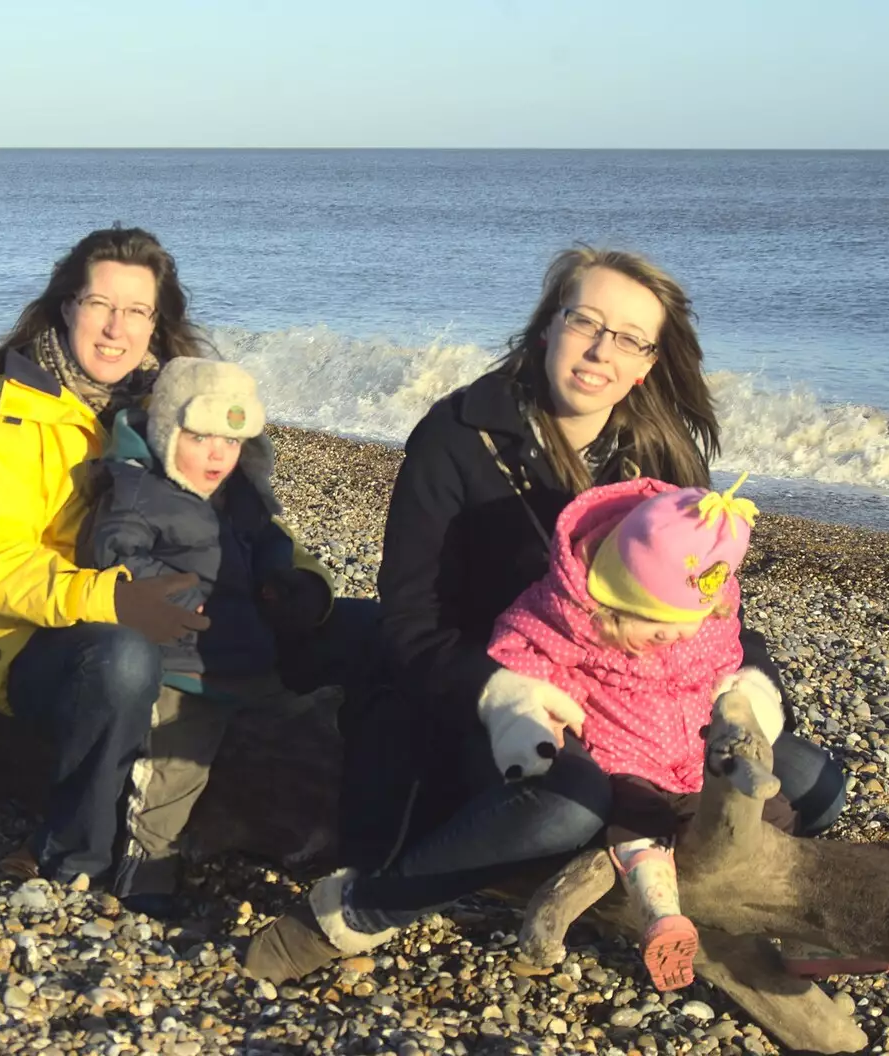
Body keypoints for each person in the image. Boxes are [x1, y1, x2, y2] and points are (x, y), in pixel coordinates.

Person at [245, 246, 849, 984]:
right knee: (568, 803)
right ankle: (359, 911)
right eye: (585, 321)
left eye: (629, 338)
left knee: (815, 786)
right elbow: (411, 626)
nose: (602, 349)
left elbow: (712, 604)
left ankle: (717, 906)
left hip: (651, 702)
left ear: (649, 363)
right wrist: (505, 699)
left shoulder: (664, 455)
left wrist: (748, 688)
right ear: (547, 326)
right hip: (496, 699)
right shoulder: (457, 438)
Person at [0, 226, 371, 898]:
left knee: (365, 629)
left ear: (156, 322)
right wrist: (112, 599)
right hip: (46, 643)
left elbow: (254, 519)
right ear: (66, 308)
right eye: (100, 306)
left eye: (136, 311)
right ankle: (73, 850)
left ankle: (408, 839)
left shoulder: (176, 408)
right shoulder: (9, 413)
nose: (116, 329)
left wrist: (305, 582)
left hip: (192, 616)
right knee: (123, 658)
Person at [485, 473, 786, 991]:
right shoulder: (572, 620)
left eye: (684, 621)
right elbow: (516, 651)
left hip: (693, 755)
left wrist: (744, 701)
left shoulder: (707, 616)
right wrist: (539, 708)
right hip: (623, 757)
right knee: (637, 820)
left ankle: (798, 932)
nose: (672, 634)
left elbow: (729, 660)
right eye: (653, 623)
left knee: (772, 815)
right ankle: (661, 916)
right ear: (613, 599)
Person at [77, 357, 338, 908]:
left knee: (307, 722)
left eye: (232, 439)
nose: (217, 454)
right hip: (180, 662)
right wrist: (185, 598)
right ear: (169, 431)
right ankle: (144, 871)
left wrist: (285, 582)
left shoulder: (240, 494)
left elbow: (268, 542)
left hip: (244, 654)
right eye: (200, 437)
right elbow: (113, 556)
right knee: (171, 771)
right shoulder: (139, 492)